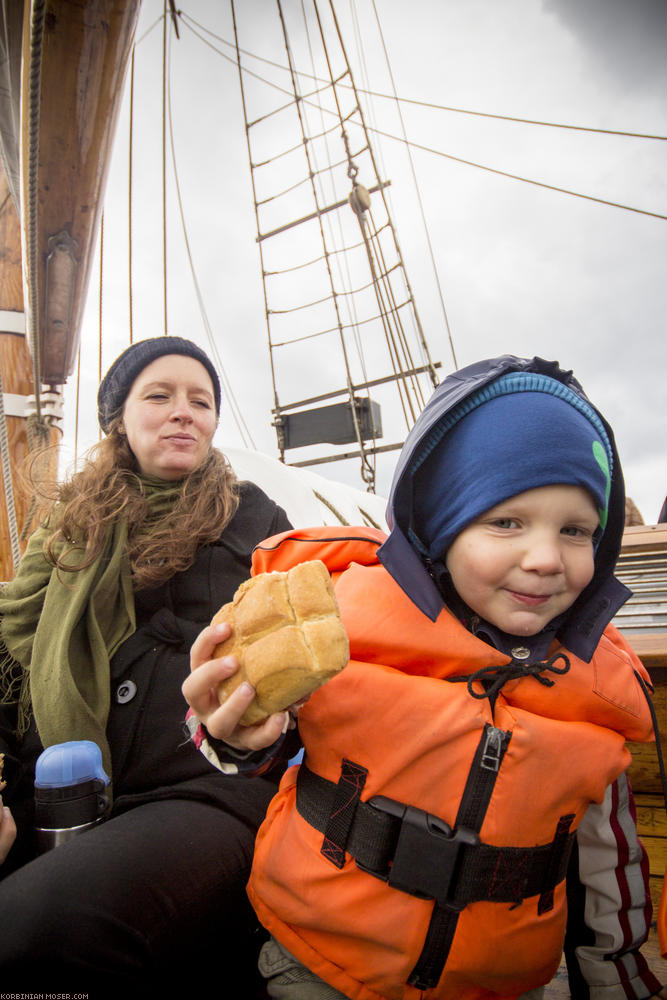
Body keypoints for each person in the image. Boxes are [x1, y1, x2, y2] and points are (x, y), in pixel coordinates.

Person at [184, 354, 666, 1000]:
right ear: (438, 525)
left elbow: (611, 880)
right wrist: (234, 733)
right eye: (506, 522)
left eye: (576, 530)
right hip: (320, 968)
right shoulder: (341, 628)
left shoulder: (595, 698)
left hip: (511, 985)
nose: (546, 558)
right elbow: (246, 750)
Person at [0, 336, 292, 993]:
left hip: (203, 791)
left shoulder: (256, 519)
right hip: (48, 792)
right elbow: (11, 660)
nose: (183, 411)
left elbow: (300, 651)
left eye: (201, 400)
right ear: (119, 421)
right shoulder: (64, 533)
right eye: (158, 396)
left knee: (36, 933)